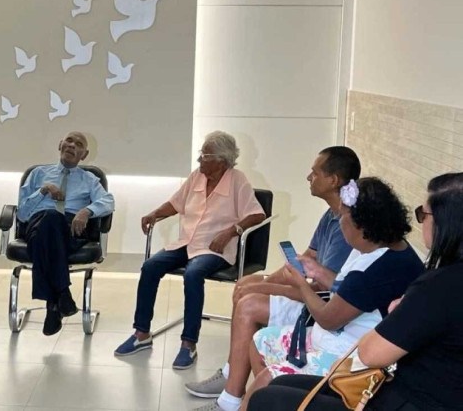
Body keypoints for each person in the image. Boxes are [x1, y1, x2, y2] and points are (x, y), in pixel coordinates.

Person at [199, 177, 425, 411]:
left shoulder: (378, 270)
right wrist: (316, 272)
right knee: (260, 342)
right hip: (338, 338)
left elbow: (328, 318)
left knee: (267, 380)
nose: (340, 224)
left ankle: (266, 398)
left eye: (343, 218)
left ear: (362, 227)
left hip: (349, 357)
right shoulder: (384, 246)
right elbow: (347, 289)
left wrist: (301, 284)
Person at [248, 172, 463, 411]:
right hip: (402, 385)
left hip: (394, 391)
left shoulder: (433, 284)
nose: (421, 222)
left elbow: (368, 351)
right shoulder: (399, 256)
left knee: (266, 396)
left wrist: (300, 284)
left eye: (423, 214)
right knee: (275, 376)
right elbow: (349, 292)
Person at [186, 146, 360, 397]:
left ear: (333, 180)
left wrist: (266, 286)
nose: (308, 177)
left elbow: (321, 289)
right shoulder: (330, 215)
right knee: (246, 283)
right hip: (313, 293)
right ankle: (231, 372)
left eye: (314, 173)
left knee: (248, 303)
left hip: (320, 305)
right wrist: (266, 280)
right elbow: (305, 259)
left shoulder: (347, 227)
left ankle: (231, 395)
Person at [114, 131, 266, 369]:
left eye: (205, 155)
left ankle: (188, 344)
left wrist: (230, 232)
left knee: (193, 274)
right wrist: (155, 214)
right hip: (186, 243)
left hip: (215, 248)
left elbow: (257, 214)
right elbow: (176, 203)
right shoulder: (197, 176)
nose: (199, 159)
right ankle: (141, 333)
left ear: (222, 160)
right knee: (150, 267)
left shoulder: (238, 180)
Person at [17, 131, 115, 336]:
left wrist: (87, 211)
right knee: (50, 219)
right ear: (60, 144)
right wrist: (43, 190)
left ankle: (56, 301)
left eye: (78, 144)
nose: (72, 145)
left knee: (52, 224)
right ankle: (60, 296)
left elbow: (108, 202)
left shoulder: (90, 179)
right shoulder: (38, 174)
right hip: (36, 225)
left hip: (71, 229)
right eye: (69, 140)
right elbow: (23, 214)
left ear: (84, 155)